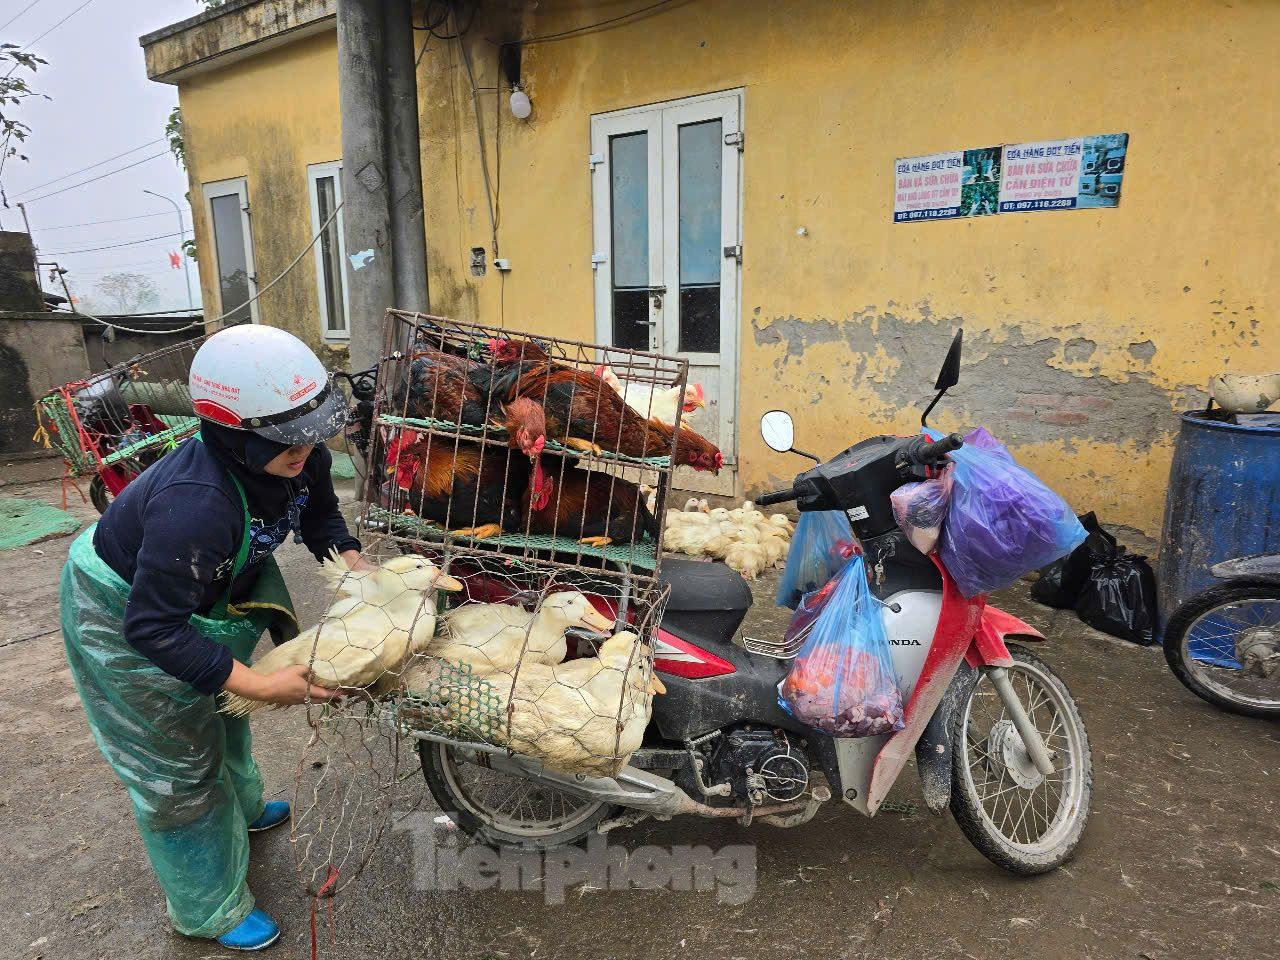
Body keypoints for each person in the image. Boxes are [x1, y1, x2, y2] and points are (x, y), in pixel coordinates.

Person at [59, 325, 375, 951]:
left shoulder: (296, 456)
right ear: (231, 434)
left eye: (314, 433)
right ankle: (207, 909)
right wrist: (262, 682)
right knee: (176, 759)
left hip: (203, 589)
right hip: (123, 611)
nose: (309, 451)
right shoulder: (196, 503)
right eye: (289, 440)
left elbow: (317, 513)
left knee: (223, 710)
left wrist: (354, 567)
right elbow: (152, 628)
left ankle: (246, 809)